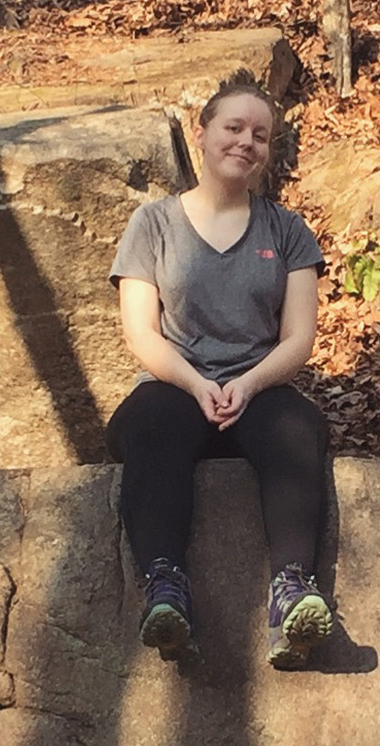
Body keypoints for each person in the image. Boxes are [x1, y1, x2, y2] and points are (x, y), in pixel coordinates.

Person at [104, 74, 332, 670]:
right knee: (150, 419)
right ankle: (165, 590)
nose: (246, 142)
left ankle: (293, 592)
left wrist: (249, 382)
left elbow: (299, 338)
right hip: (176, 386)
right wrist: (195, 382)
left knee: (297, 424)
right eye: (234, 128)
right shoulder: (152, 225)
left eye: (261, 135)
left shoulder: (287, 230)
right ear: (201, 135)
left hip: (260, 387)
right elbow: (141, 333)